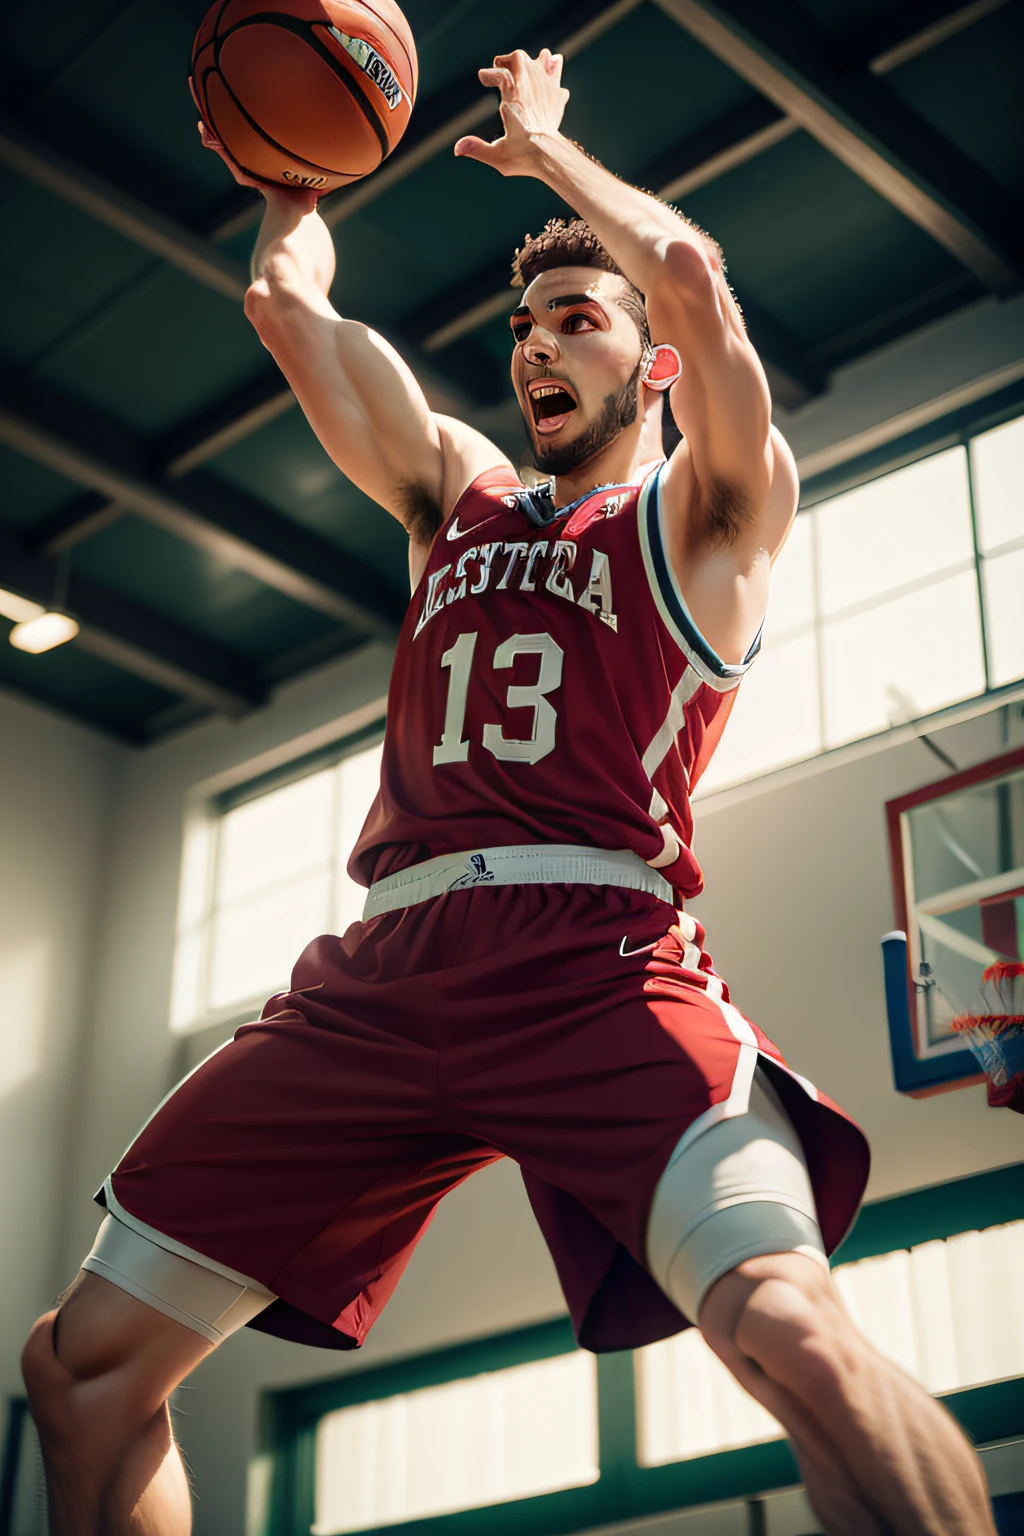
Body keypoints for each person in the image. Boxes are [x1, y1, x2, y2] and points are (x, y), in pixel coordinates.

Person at [22, 46, 995, 1536]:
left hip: (593, 963)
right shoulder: (455, 494)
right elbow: (291, 310)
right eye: (524, 325)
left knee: (790, 1328)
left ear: (651, 357)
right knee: (79, 1373)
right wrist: (293, 179)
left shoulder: (713, 512)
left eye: (574, 320)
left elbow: (686, 265)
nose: (536, 346)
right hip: (378, 976)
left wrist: (547, 152)